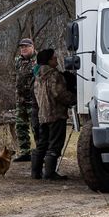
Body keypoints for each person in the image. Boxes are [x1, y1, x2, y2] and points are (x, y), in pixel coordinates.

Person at [33, 48, 76, 180]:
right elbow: (59, 93)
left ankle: (35, 173)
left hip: (42, 114)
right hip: (56, 114)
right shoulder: (54, 75)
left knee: (42, 144)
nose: (56, 59)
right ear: (49, 60)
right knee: (55, 144)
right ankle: (50, 173)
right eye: (54, 57)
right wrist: (74, 98)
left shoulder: (37, 76)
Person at [13, 38, 38, 162]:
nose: (23, 49)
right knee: (20, 126)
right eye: (21, 47)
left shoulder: (38, 61)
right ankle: (25, 152)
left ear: (32, 47)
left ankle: (40, 152)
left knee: (36, 127)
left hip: (34, 101)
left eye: (26, 47)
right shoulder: (18, 61)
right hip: (21, 100)